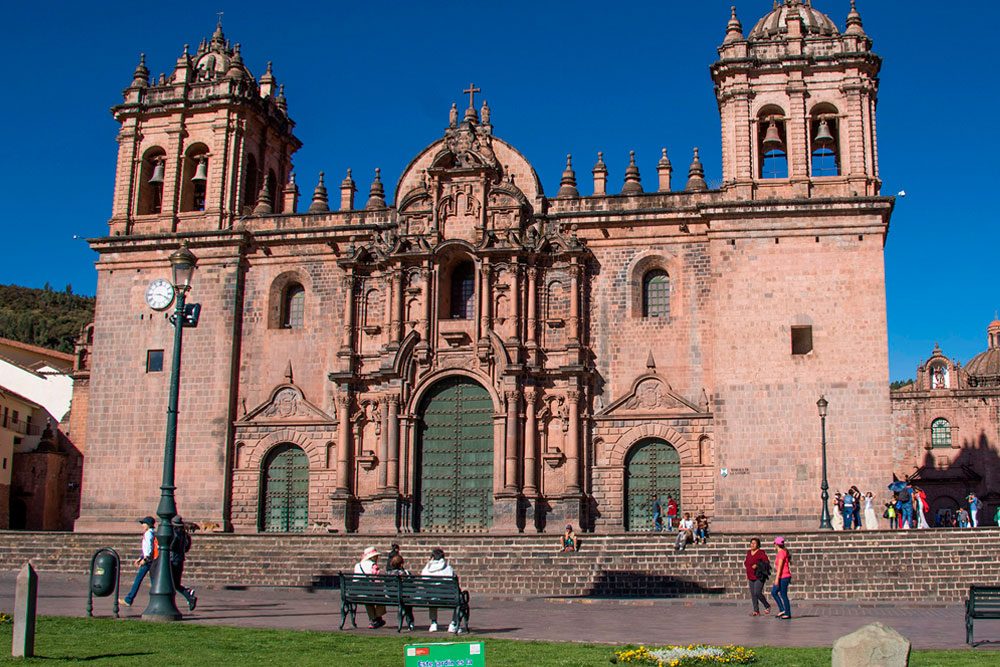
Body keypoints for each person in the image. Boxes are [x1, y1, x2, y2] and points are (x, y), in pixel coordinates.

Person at [421, 548, 460, 633]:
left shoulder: (426, 569)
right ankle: (453, 624)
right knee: (459, 599)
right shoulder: (448, 568)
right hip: (446, 597)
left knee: (432, 597)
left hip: (431, 597)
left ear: (432, 557)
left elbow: (423, 581)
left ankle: (433, 623)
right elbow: (453, 583)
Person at [120, 516, 156, 607]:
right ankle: (155, 599)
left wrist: (144, 559)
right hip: (149, 560)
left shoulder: (148, 534)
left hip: (148, 561)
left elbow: (149, 548)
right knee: (154, 582)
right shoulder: (150, 533)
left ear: (148, 525)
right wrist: (140, 557)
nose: (142, 525)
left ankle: (129, 599)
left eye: (144, 523)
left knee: (138, 580)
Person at [169, 515, 197, 611]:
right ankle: (189, 596)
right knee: (175, 583)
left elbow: (172, 546)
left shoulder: (174, 533)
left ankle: (187, 594)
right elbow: (187, 547)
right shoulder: (184, 534)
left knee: (171, 582)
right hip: (180, 559)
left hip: (172, 559)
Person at [354, 546, 386, 629]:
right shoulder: (373, 566)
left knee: (367, 599)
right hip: (370, 591)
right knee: (381, 596)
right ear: (373, 557)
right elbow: (377, 580)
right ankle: (378, 617)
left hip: (358, 593)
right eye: (376, 556)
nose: (377, 558)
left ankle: (374, 619)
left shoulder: (358, 565)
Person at [743, 538, 771, 616]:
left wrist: (758, 565)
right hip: (750, 575)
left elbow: (766, 562)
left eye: (754, 543)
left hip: (759, 576)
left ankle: (767, 606)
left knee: (757, 592)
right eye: (751, 543)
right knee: (753, 594)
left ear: (758, 545)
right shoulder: (748, 552)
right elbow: (746, 562)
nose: (752, 545)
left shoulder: (761, 553)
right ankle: (756, 611)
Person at [385, 553, 413, 630]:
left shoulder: (387, 573)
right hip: (402, 596)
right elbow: (411, 585)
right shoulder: (404, 573)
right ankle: (410, 622)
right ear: (401, 564)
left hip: (390, 596)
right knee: (407, 603)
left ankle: (405, 620)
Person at [770, 536, 792, 620]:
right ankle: (783, 610)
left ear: (776, 544)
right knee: (774, 592)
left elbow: (780, 567)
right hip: (783, 576)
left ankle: (787, 612)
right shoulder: (783, 552)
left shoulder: (781, 553)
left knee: (783, 594)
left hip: (784, 576)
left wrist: (776, 578)